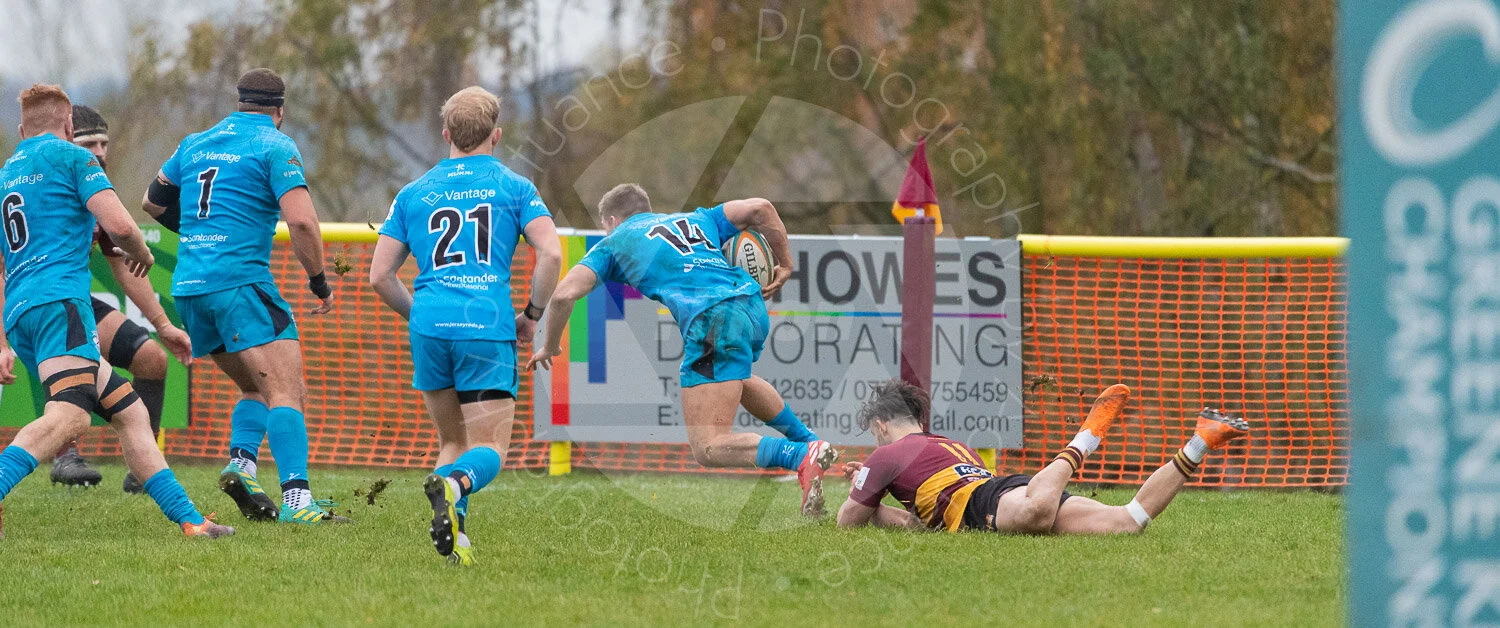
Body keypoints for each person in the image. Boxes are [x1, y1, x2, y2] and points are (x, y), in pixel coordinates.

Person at [0, 83, 232, 538]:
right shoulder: (74, 159)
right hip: (62, 304)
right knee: (71, 417)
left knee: (129, 411)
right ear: (69, 125)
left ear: (24, 128)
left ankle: (191, 521)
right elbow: (122, 225)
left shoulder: (7, 175)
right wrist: (143, 252)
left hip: (22, 315)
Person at [528, 184, 838, 516]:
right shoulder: (698, 219)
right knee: (738, 378)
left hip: (712, 320)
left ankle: (801, 456)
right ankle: (809, 443)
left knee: (708, 447)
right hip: (751, 307)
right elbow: (760, 206)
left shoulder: (615, 242)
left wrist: (551, 345)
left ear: (612, 220)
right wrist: (786, 264)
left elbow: (562, 296)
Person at [370, 86, 562, 566]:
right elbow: (552, 253)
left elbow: (379, 276)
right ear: (495, 135)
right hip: (484, 326)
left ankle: (456, 541)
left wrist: (422, 318)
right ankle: (453, 486)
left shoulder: (413, 193)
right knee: (490, 447)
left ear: (446, 133)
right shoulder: (515, 187)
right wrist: (532, 316)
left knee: (452, 441)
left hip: (430, 325)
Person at [140, 68, 342, 525]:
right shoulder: (275, 145)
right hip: (240, 284)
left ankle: (242, 465)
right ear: (280, 111)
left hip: (190, 289)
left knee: (256, 386)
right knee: (289, 390)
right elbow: (304, 224)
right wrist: (319, 282)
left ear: (240, 101)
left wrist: (198, 233)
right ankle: (298, 503)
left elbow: (152, 202)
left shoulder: (194, 142)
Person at [836, 380, 1250, 533]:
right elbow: (919, 522)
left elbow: (845, 521)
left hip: (994, 502)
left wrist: (864, 487)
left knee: (1036, 511)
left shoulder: (888, 453)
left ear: (883, 424)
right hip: (1002, 489)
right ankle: (1200, 441)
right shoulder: (950, 445)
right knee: (1128, 522)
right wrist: (874, 497)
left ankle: (1084, 439)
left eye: (873, 433)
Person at [45, 104, 194, 493]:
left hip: (73, 301)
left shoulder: (94, 188)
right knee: (77, 372)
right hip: (35, 303)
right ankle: (65, 455)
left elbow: (124, 265)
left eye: (103, 143)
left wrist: (163, 325)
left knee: (152, 359)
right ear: (64, 140)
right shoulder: (44, 184)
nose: (98, 151)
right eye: (87, 142)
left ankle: (143, 471)